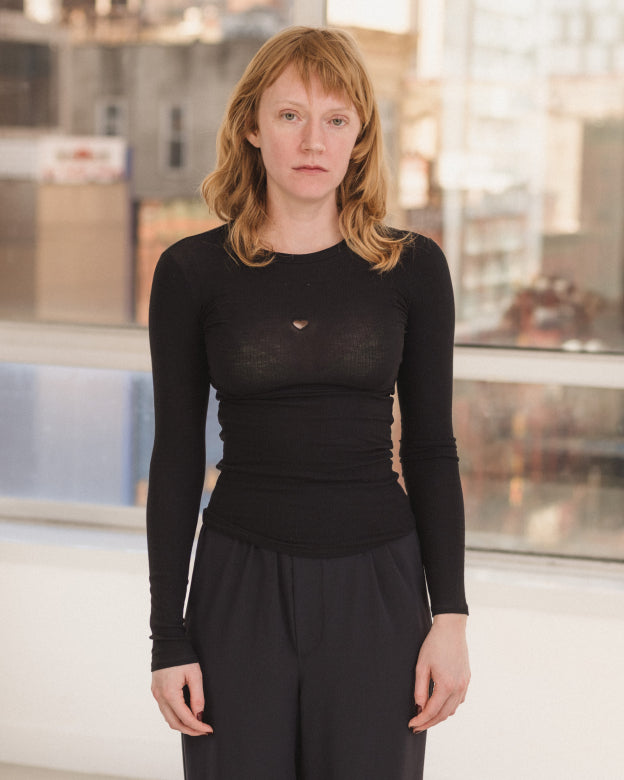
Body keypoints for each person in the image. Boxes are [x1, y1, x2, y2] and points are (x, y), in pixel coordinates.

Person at [147, 25, 470, 780]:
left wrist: (450, 616)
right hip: (237, 586)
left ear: (360, 137)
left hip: (379, 589)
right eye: (290, 114)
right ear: (252, 127)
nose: (312, 140)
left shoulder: (413, 268)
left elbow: (431, 449)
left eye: (335, 119)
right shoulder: (191, 272)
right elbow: (176, 460)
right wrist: (169, 636)